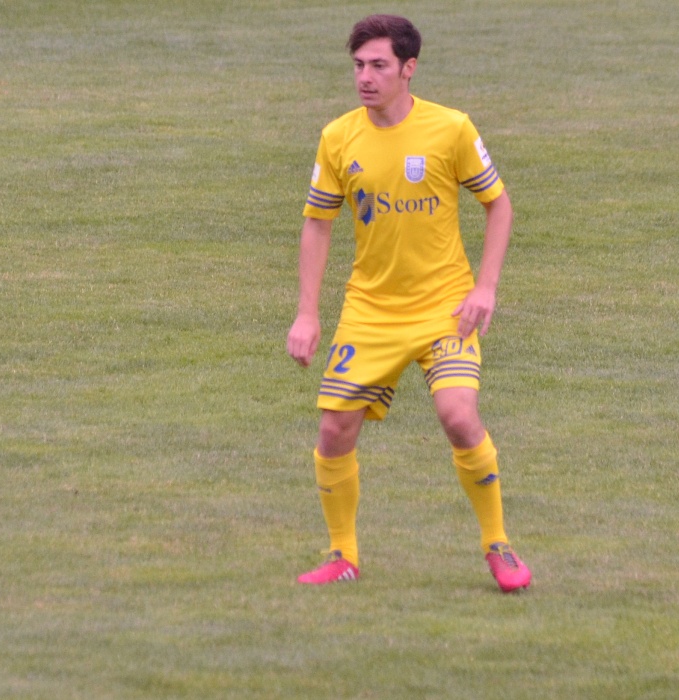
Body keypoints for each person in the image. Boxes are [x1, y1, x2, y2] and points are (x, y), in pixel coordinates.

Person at [286, 14, 530, 593]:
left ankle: (498, 543)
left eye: (378, 66)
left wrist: (485, 286)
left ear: (408, 68)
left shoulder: (450, 129)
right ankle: (343, 555)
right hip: (370, 312)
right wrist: (307, 312)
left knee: (459, 415)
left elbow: (499, 205)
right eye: (358, 66)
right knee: (334, 431)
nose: (364, 78)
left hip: (445, 308)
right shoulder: (338, 137)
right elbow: (317, 223)